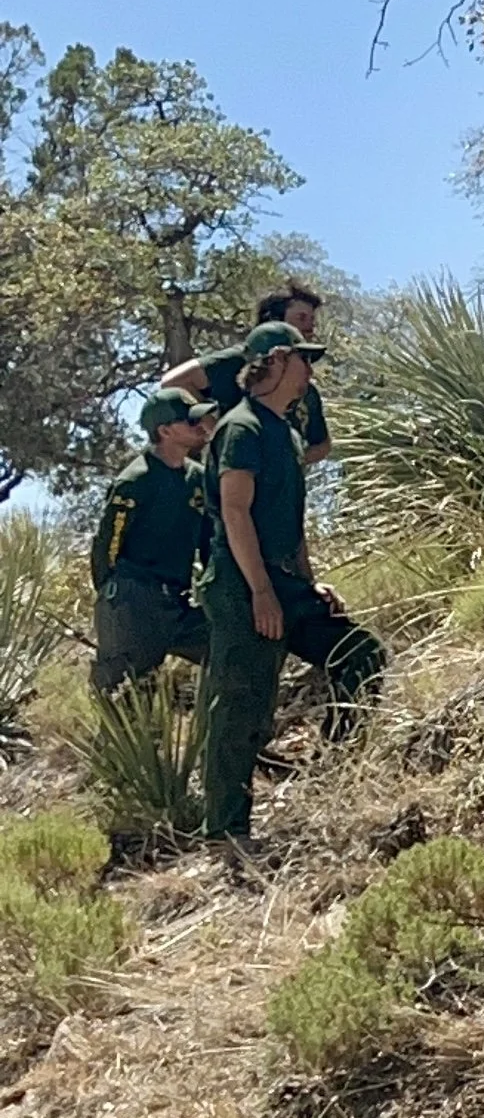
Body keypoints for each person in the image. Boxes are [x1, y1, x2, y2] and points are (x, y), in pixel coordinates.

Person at [198, 323, 386, 849]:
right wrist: (260, 592)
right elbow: (236, 512)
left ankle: (334, 774)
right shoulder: (241, 429)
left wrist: (309, 583)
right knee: (243, 704)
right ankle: (226, 830)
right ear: (275, 361)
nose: (310, 368)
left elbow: (292, 522)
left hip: (282, 581)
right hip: (242, 586)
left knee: (360, 654)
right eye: (303, 358)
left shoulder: (286, 432)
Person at [89, 391, 214, 695]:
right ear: (165, 431)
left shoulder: (198, 478)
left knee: (231, 647)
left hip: (178, 601)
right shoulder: (136, 481)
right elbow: (107, 545)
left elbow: (209, 538)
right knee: (127, 703)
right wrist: (114, 593)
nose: (200, 425)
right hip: (135, 602)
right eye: (190, 420)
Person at [161, 280, 336, 468]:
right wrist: (219, 432)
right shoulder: (239, 359)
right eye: (301, 318)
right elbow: (174, 381)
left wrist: (288, 461)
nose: (310, 329)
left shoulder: (306, 391)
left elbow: (323, 445)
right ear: (274, 319)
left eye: (312, 321)